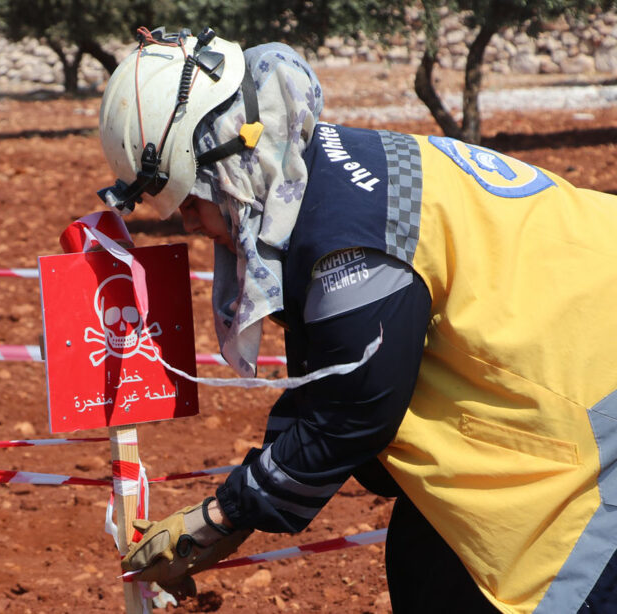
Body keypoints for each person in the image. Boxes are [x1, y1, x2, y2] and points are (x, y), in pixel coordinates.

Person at [96, 26, 617, 613]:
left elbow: (354, 411)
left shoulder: (348, 243)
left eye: (190, 199)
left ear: (229, 161)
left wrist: (218, 518)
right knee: (429, 562)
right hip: (561, 355)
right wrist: (236, 509)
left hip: (594, 398)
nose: (189, 224)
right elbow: (335, 377)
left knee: (550, 579)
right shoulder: (317, 176)